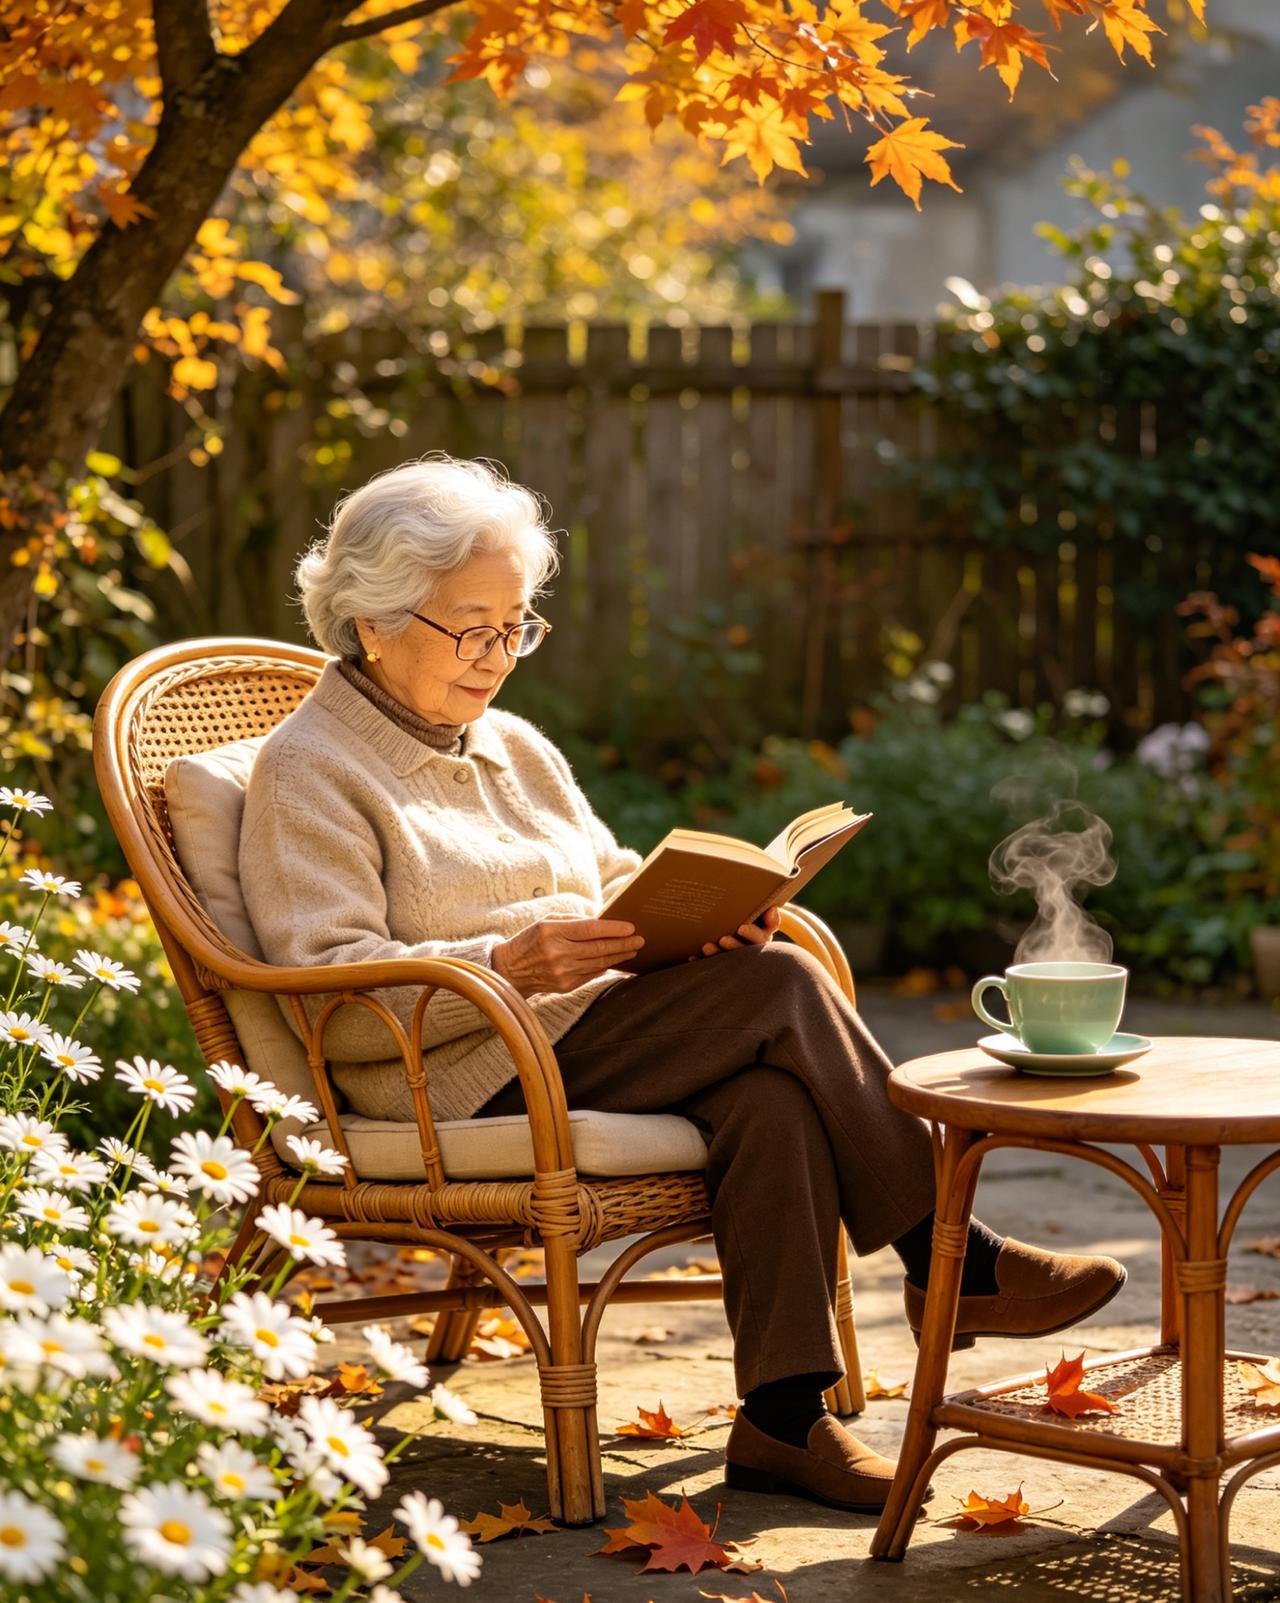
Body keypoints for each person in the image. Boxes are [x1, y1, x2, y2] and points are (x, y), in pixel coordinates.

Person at [239, 454, 1126, 1514]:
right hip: (460, 1066)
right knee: (781, 986)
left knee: (771, 1093)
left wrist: (703, 908)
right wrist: (505, 965)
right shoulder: (309, 771)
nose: (495, 657)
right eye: (469, 627)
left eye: (514, 625)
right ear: (372, 619)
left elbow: (601, 875)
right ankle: (951, 1252)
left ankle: (782, 1419)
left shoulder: (511, 744)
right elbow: (322, 997)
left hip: (584, 1022)